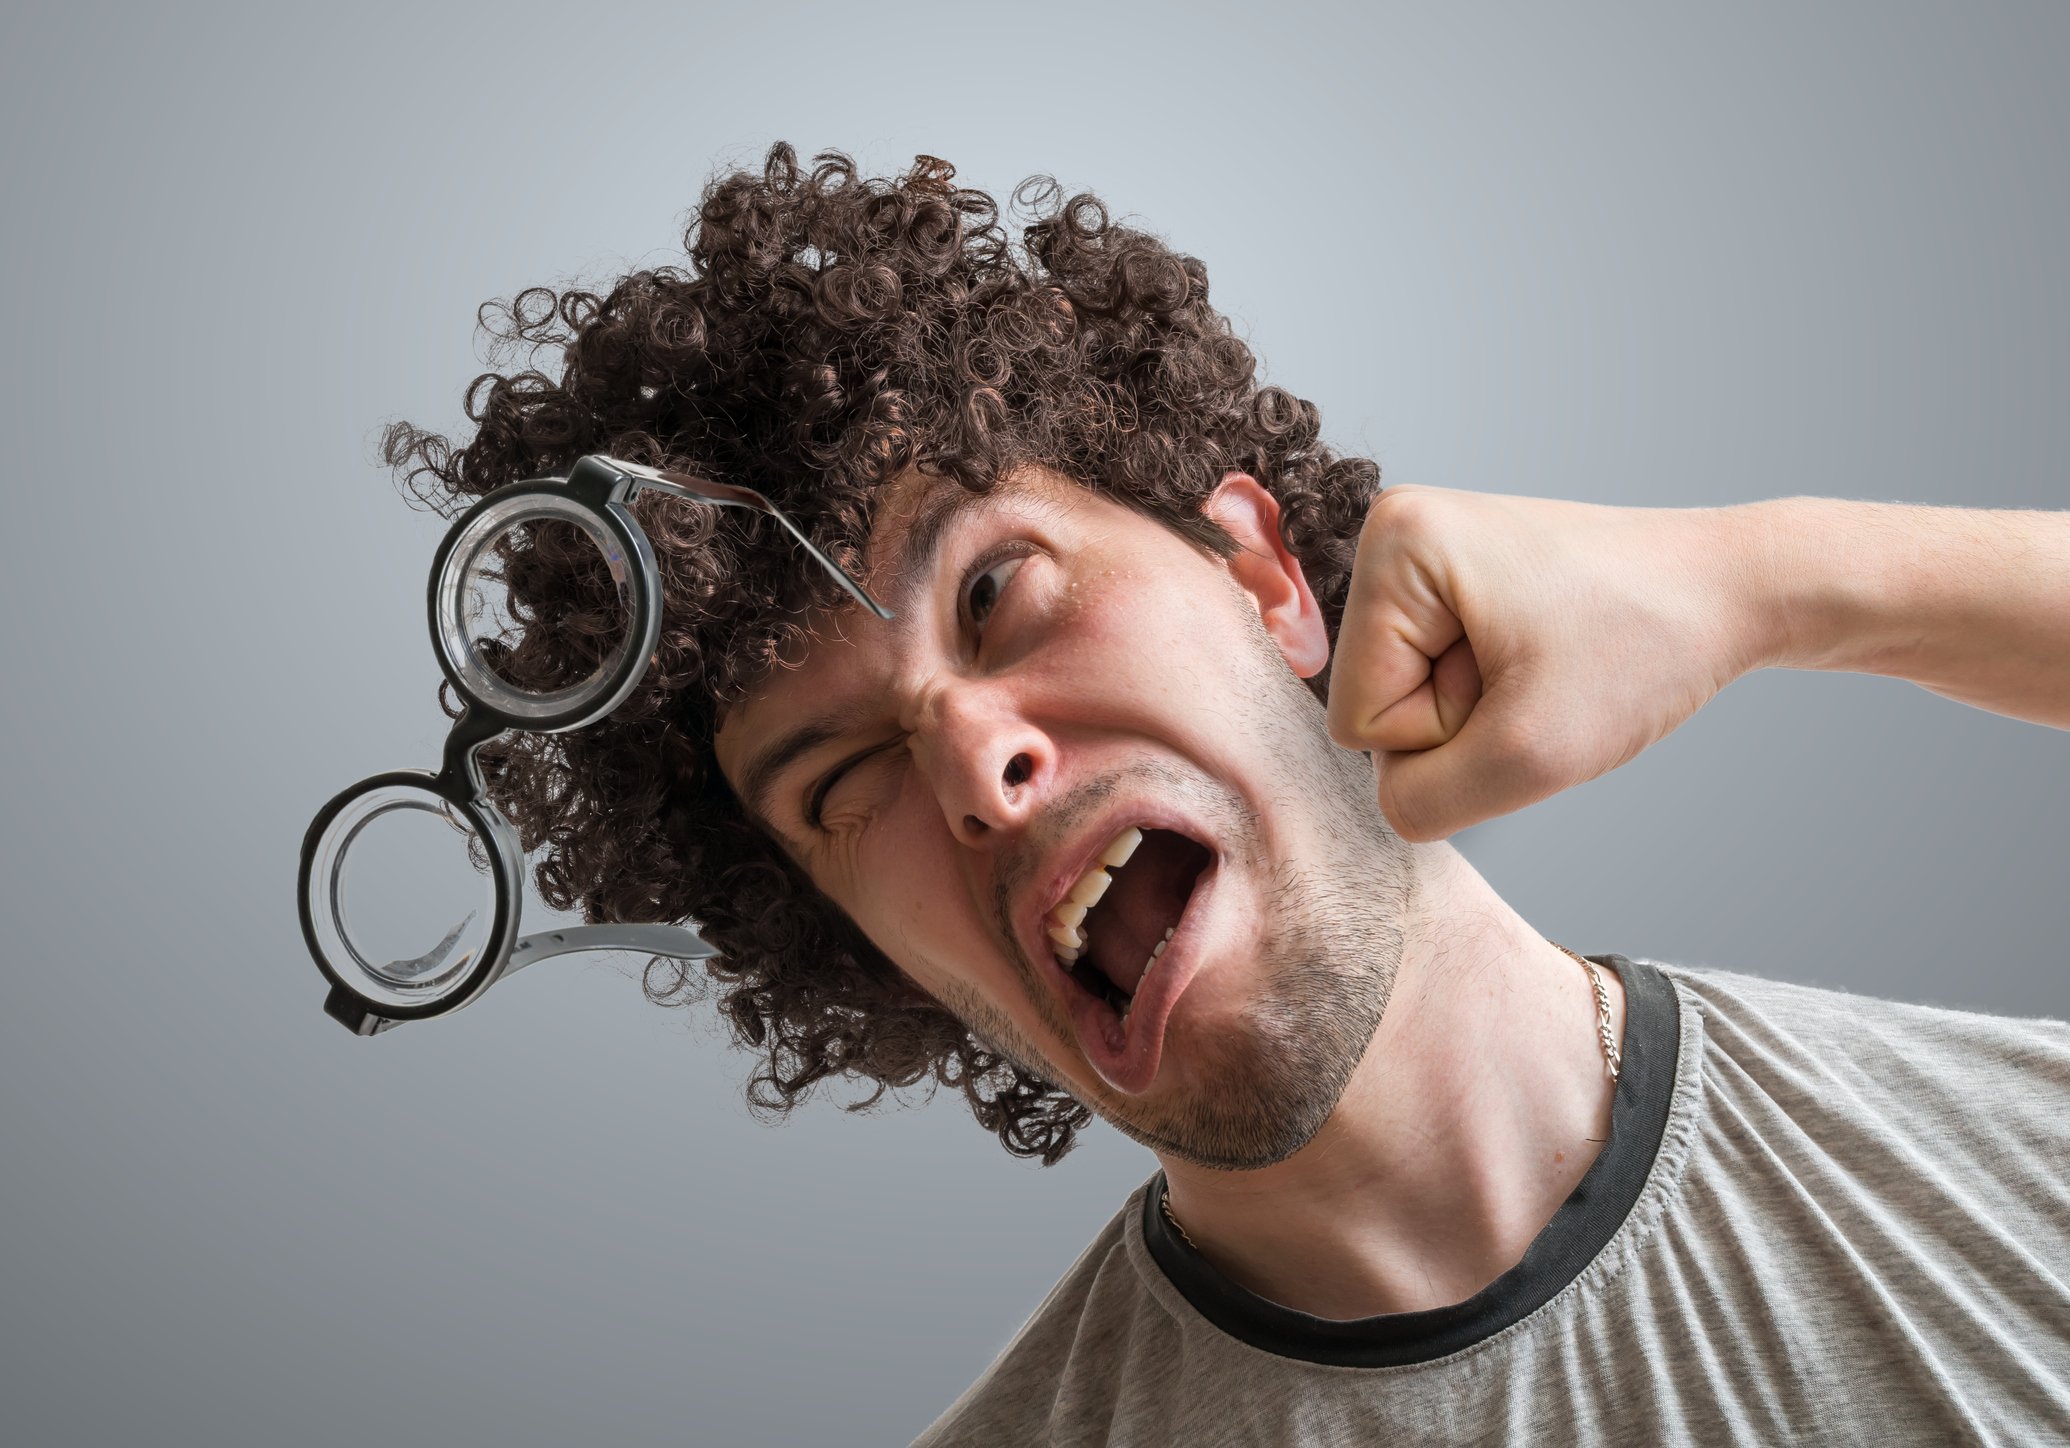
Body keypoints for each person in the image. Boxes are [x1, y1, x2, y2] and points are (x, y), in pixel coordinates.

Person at [384, 144, 2070, 1445]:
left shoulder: (2024, 1168)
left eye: (994, 595)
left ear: (1261, 572)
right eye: (843, 781)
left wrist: (1771, 583)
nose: (975, 765)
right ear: (857, 951)